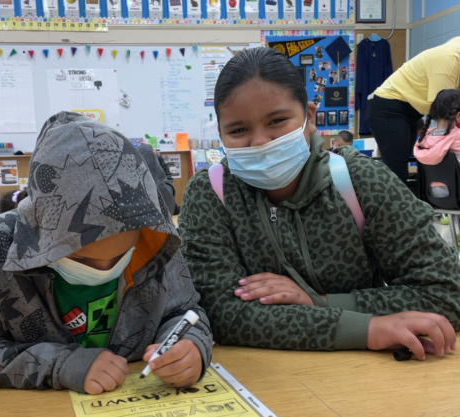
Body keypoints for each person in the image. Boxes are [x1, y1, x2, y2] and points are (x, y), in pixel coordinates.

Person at [179, 48, 459, 360]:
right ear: (220, 134)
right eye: (238, 130)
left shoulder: (362, 180)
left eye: (277, 121)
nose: (259, 141)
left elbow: (447, 293)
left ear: (309, 117)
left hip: (368, 374)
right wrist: (368, 328)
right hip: (263, 374)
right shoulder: (209, 194)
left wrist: (319, 302)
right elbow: (221, 313)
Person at [0, 112, 212, 393]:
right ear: (44, 236)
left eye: (124, 254)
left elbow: (185, 311)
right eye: (82, 259)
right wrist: (60, 365)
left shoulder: (155, 238)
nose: (105, 269)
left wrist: (191, 345)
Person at [366, 37, 460, 184]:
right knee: (397, 171)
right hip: (389, 108)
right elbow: (443, 107)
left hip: (406, 111)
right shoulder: (447, 59)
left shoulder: (453, 55)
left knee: (401, 168)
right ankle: (392, 199)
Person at [414, 89, 460, 198]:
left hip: (432, 195)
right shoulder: (457, 137)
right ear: (458, 115)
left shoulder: (424, 139)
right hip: (457, 194)